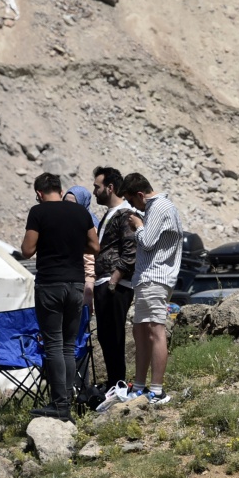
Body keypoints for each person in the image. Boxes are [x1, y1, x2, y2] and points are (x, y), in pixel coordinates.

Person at [22, 172, 99, 420]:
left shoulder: (38, 212)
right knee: (68, 345)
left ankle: (59, 404)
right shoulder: (81, 212)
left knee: (53, 344)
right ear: (60, 190)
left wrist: (48, 241)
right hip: (76, 284)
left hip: (50, 284)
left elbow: (27, 250)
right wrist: (72, 244)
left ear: (39, 193)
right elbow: (95, 246)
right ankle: (66, 401)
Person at [119, 172, 182, 405]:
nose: (133, 207)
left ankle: (156, 390)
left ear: (140, 194)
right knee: (141, 332)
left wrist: (138, 225)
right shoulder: (159, 207)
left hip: (154, 277)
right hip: (149, 279)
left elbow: (147, 241)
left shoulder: (158, 207)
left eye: (132, 201)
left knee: (155, 331)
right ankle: (140, 386)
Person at [89, 167, 137, 390]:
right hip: (105, 283)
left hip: (115, 286)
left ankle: (118, 385)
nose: (94, 192)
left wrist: (114, 280)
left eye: (97, 187)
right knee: (106, 337)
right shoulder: (111, 214)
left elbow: (130, 251)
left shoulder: (125, 214)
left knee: (115, 338)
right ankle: (113, 384)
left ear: (110, 188)